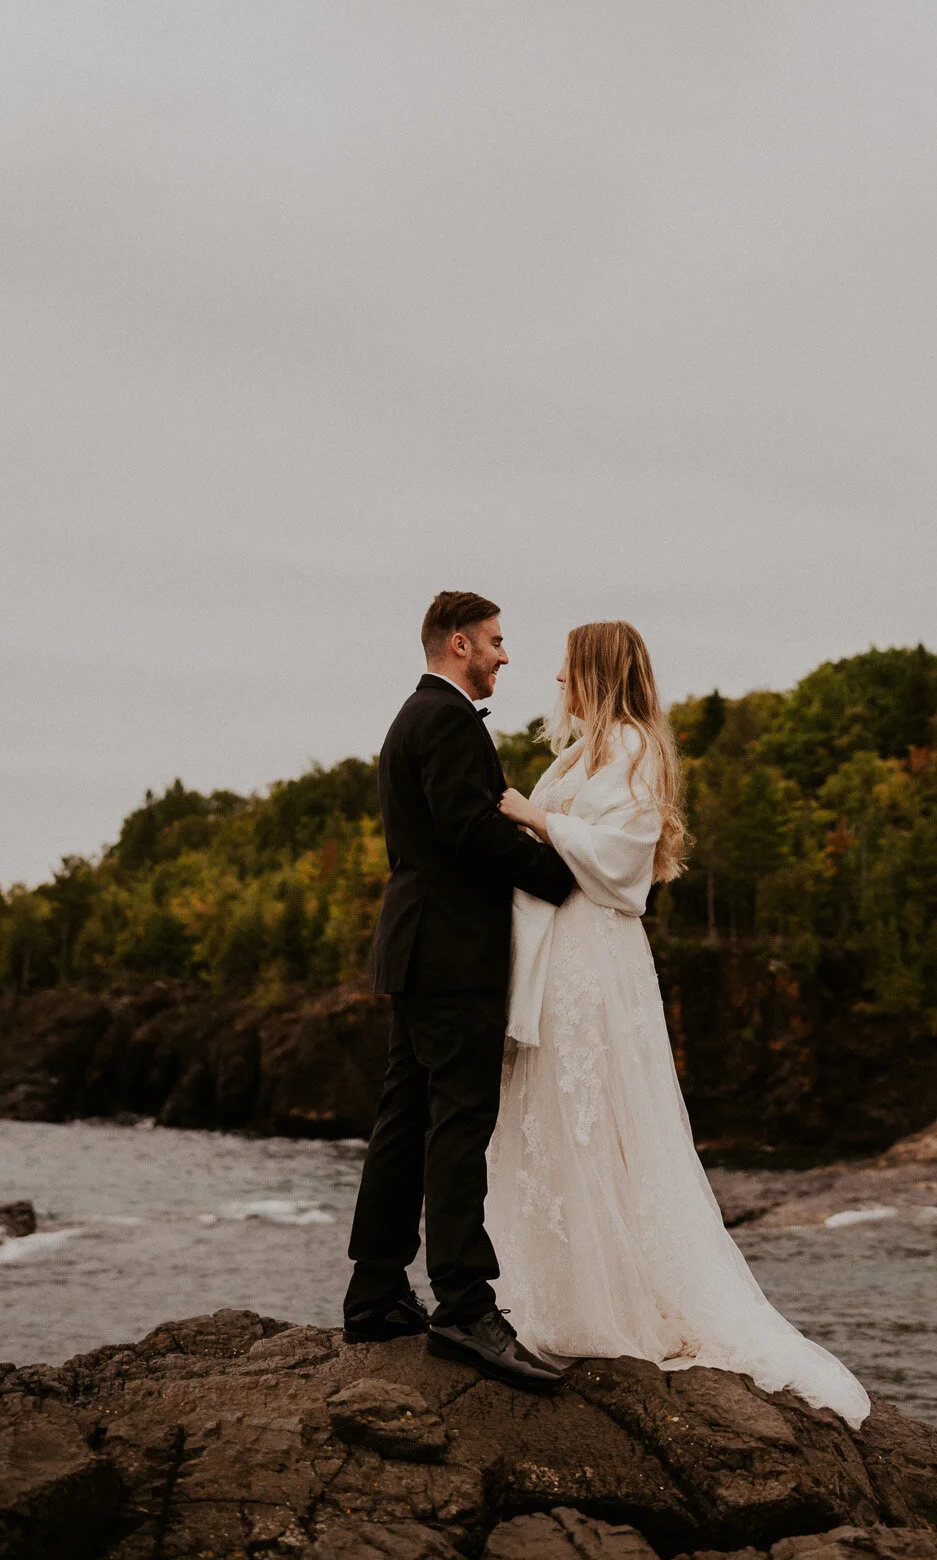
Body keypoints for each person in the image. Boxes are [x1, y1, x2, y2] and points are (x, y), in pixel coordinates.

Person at [487, 620, 870, 1428]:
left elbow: (622, 860)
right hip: (565, 956)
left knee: (597, 1119)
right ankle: (563, 1293)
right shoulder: (586, 749)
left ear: (594, 672)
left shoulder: (629, 745)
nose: (554, 679)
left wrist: (531, 815)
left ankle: (616, 1302)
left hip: (595, 959)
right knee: (558, 1120)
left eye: (566, 668)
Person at [343, 590, 575, 1393]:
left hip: (419, 947)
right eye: (496, 640)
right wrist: (564, 874)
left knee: (405, 1117)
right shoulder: (441, 718)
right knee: (458, 1120)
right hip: (450, 954)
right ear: (456, 643)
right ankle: (464, 1307)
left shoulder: (418, 715)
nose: (506, 654)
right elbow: (468, 828)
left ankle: (375, 1293)